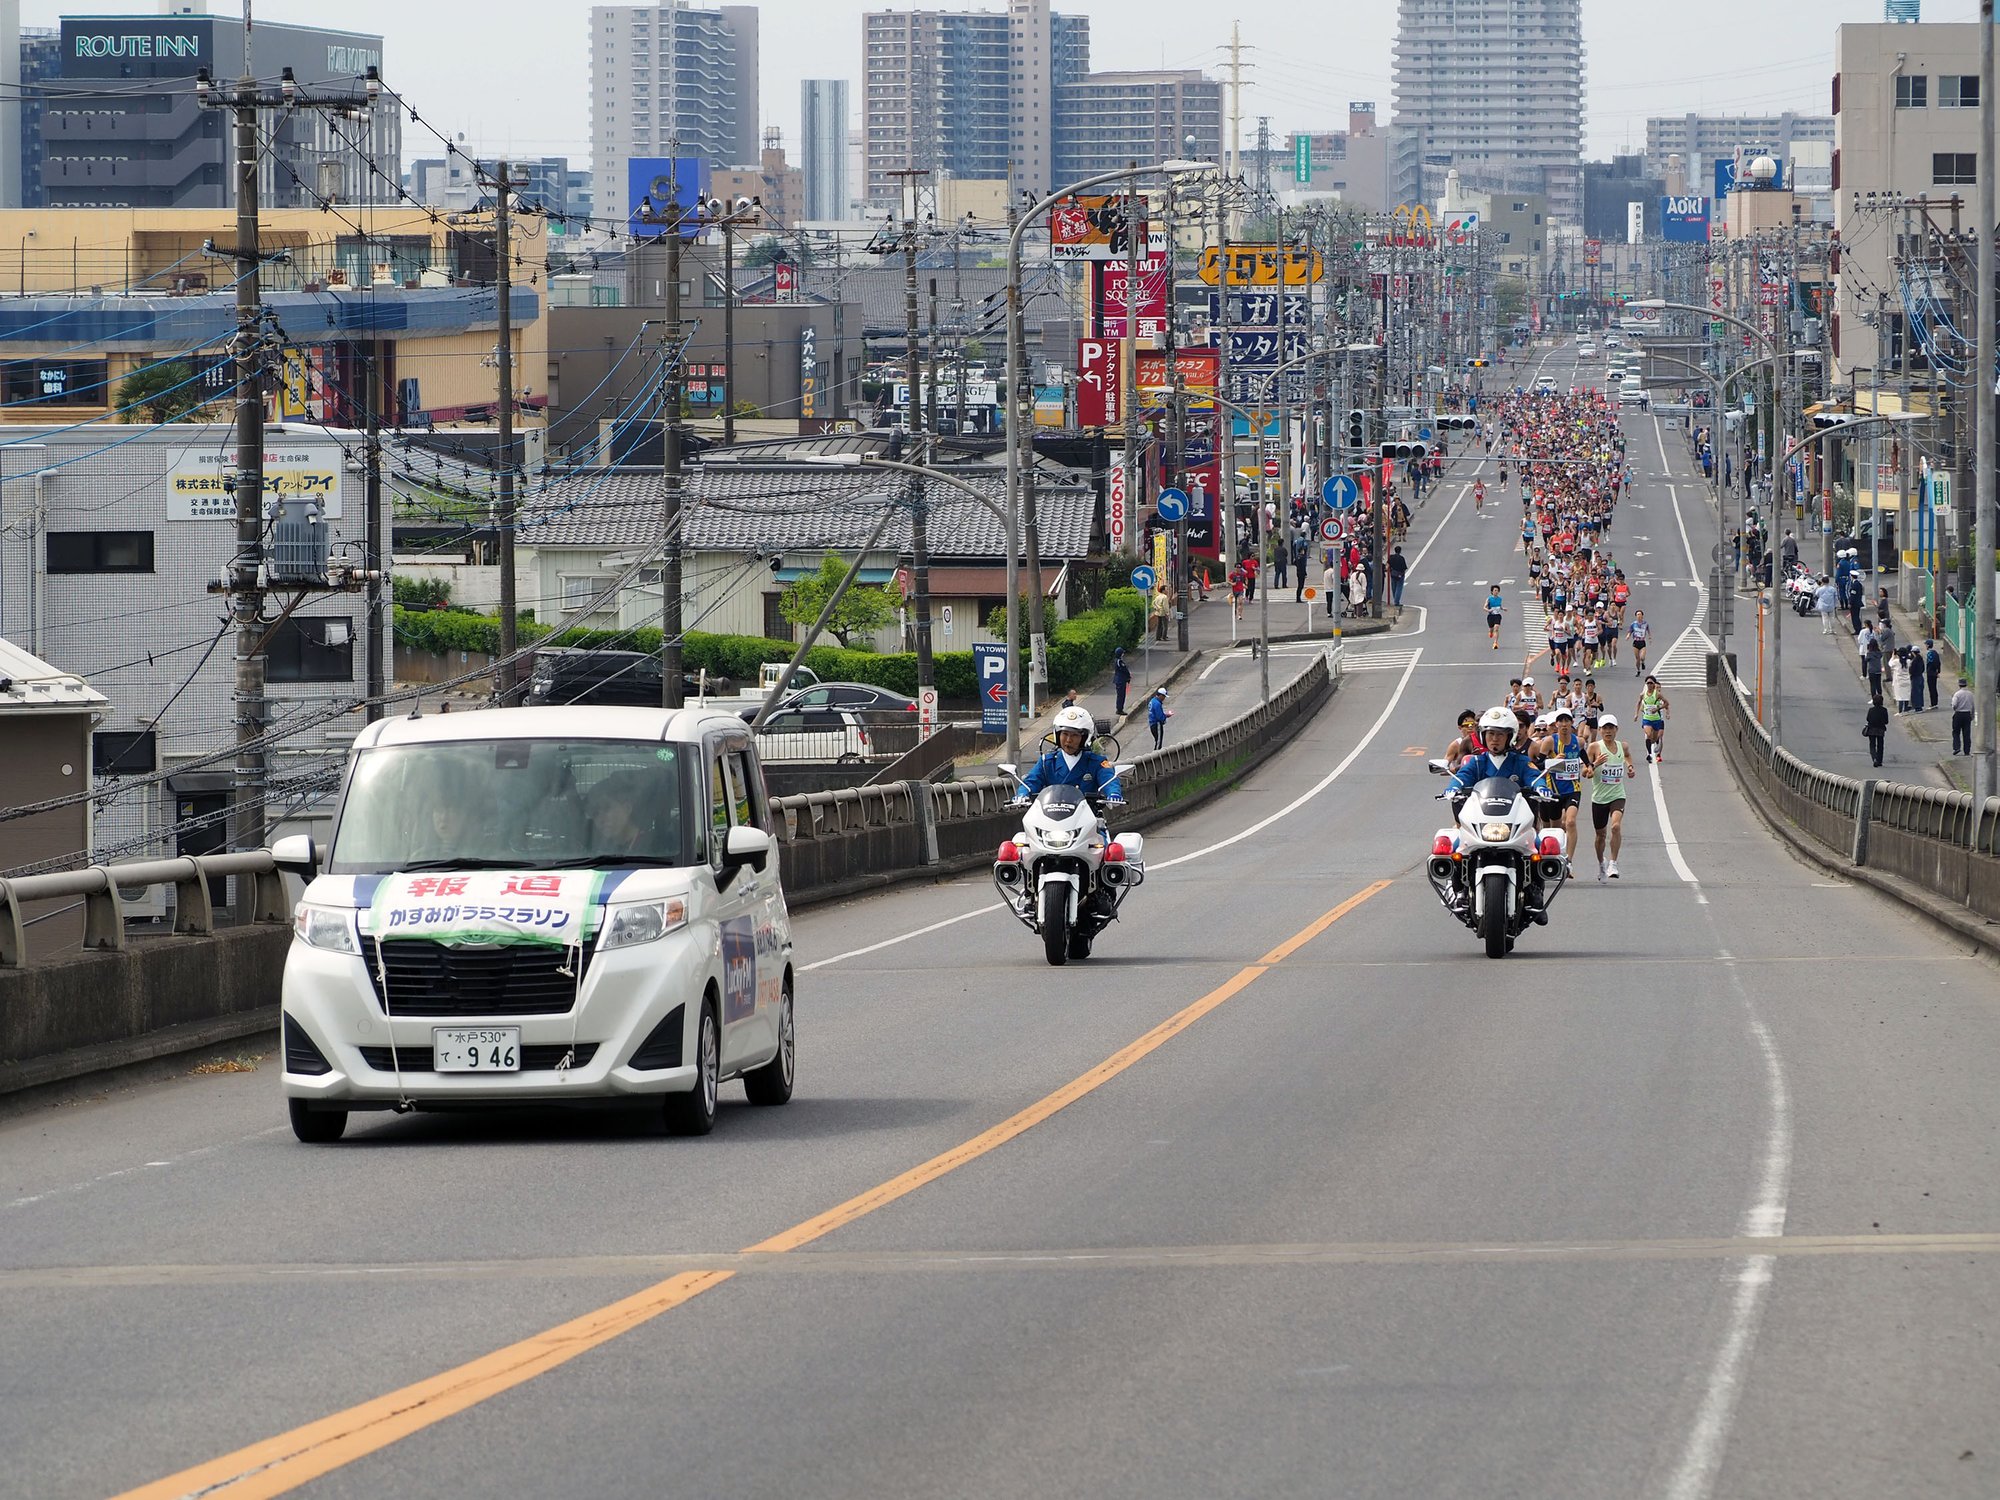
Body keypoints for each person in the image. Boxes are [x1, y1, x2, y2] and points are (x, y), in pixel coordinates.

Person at [1447, 707, 1556, 920]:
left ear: (1510, 737)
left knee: (1535, 846)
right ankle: (1459, 889)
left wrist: (1541, 786)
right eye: (1490, 734)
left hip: (1513, 821)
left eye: (1499, 734)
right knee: (1456, 845)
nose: (1494, 739)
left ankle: (1536, 893)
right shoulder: (1477, 762)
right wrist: (1453, 787)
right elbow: (1462, 777)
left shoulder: (1520, 761)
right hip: (1483, 821)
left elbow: (1533, 776)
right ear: (1483, 736)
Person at [1016, 704, 1125, 807]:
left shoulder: (1097, 762)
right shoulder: (1047, 762)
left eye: (1074, 735)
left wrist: (1114, 793)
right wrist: (1022, 794)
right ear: (1057, 735)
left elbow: (1108, 779)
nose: (1068, 740)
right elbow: (1031, 781)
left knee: (1100, 826)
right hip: (1052, 817)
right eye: (1065, 734)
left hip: (1086, 817)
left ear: (1084, 738)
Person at [1585, 713, 1634, 881]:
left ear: (1616, 730)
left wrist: (1630, 766)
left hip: (1617, 795)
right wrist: (1595, 764)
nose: (1608, 731)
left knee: (1615, 827)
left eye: (1611, 728)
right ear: (1599, 730)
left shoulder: (1623, 746)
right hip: (1599, 798)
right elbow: (1586, 773)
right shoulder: (1594, 748)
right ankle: (1601, 864)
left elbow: (1627, 756)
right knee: (1600, 836)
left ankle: (1613, 862)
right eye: (1604, 728)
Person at [1637, 676, 1669, 763]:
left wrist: (1658, 709)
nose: (1649, 685)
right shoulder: (1643, 695)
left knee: (1655, 738)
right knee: (1648, 734)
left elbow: (1667, 704)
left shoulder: (1658, 695)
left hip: (1657, 719)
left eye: (1651, 683)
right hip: (1647, 719)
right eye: (1648, 683)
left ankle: (1657, 743)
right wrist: (1637, 714)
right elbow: (1639, 704)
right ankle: (1649, 754)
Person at [1864, 693, 1890, 767]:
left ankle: (1874, 758)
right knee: (1880, 745)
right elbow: (1886, 721)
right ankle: (1879, 760)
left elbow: (1868, 719)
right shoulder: (1884, 710)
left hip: (1871, 729)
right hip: (1881, 730)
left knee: (1872, 745)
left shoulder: (1871, 710)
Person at [1952, 677, 1975, 755]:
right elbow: (1973, 706)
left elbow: (1954, 704)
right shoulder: (1970, 694)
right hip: (1967, 714)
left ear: (1959, 685)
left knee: (1956, 732)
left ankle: (1957, 747)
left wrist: (1954, 708)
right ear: (1966, 684)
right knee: (1966, 733)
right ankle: (1967, 750)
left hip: (1958, 714)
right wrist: (1972, 715)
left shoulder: (1957, 694)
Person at [1889, 649, 1912, 714]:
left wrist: (1893, 656)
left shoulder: (1896, 661)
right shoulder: (1908, 661)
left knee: (1900, 697)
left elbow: (1890, 664)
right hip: (1907, 680)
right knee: (1906, 696)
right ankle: (1905, 710)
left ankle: (1900, 711)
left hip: (1899, 681)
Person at [1112, 647, 1133, 718]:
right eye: (1122, 653)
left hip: (1119, 680)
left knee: (1120, 695)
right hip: (1121, 680)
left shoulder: (1117, 661)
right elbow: (1124, 670)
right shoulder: (1119, 662)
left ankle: (1120, 708)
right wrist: (1128, 676)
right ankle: (1119, 709)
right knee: (1121, 695)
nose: (1123, 654)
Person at [1485, 582, 1505, 650]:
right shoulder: (1489, 599)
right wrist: (1488, 610)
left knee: (1496, 628)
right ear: (1492, 591)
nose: (1496, 592)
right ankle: (1490, 632)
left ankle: (1495, 643)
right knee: (1491, 628)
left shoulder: (1500, 599)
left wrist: (1503, 609)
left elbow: (1500, 606)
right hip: (1491, 616)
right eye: (1495, 590)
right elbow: (1484, 607)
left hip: (1497, 616)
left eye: (1497, 590)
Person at [1925, 640, 1943, 709]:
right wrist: (1938, 671)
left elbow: (1930, 663)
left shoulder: (1929, 654)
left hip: (1930, 673)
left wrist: (1929, 670)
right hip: (1935, 673)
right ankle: (1935, 703)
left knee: (1931, 688)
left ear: (1928, 645)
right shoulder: (1935, 653)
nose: (1925, 646)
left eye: (1926, 644)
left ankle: (1933, 704)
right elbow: (1938, 662)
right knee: (1934, 688)